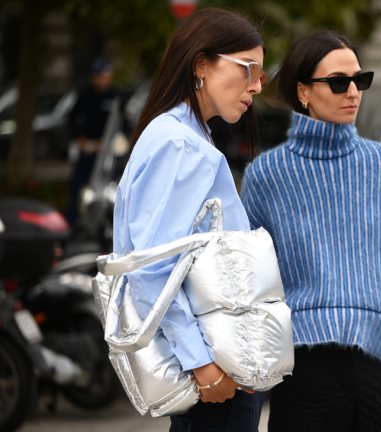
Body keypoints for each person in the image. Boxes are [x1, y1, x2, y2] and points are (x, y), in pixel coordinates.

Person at [240, 31, 381, 432]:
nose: (352, 92)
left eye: (360, 80)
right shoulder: (266, 176)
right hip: (304, 368)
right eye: (338, 82)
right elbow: (252, 286)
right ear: (303, 91)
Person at [111, 8, 267, 432]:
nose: (256, 85)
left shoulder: (180, 134)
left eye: (261, 74)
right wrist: (203, 367)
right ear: (201, 65)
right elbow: (151, 267)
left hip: (218, 361)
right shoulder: (181, 144)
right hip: (213, 367)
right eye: (249, 68)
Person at [66, 57, 117, 224]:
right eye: (98, 76)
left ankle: (104, 221)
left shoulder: (114, 97)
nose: (101, 79)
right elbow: (71, 118)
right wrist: (79, 138)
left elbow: (122, 125)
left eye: (104, 75)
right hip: (87, 149)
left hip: (106, 152)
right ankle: (75, 222)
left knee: (107, 187)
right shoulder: (85, 94)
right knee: (79, 187)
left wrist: (112, 143)